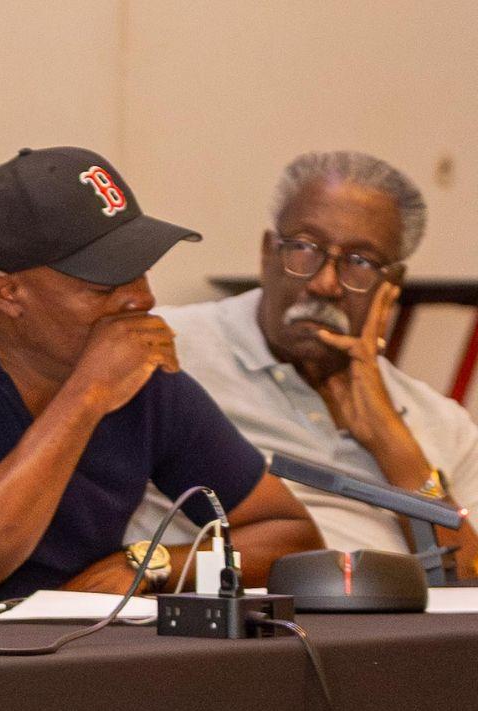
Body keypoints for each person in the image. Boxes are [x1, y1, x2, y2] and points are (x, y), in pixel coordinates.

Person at [0, 146, 321, 606]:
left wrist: (151, 564)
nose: (140, 299)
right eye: (105, 283)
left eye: (142, 270)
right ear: (7, 293)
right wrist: (87, 396)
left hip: (75, 662)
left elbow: (288, 537)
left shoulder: (137, 377)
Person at [130, 151, 478, 576]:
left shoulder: (441, 424)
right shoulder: (165, 350)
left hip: (395, 635)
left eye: (360, 262)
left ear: (392, 286)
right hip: (227, 628)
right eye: (304, 248)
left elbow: (469, 581)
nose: (324, 283)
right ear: (266, 254)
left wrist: (394, 445)